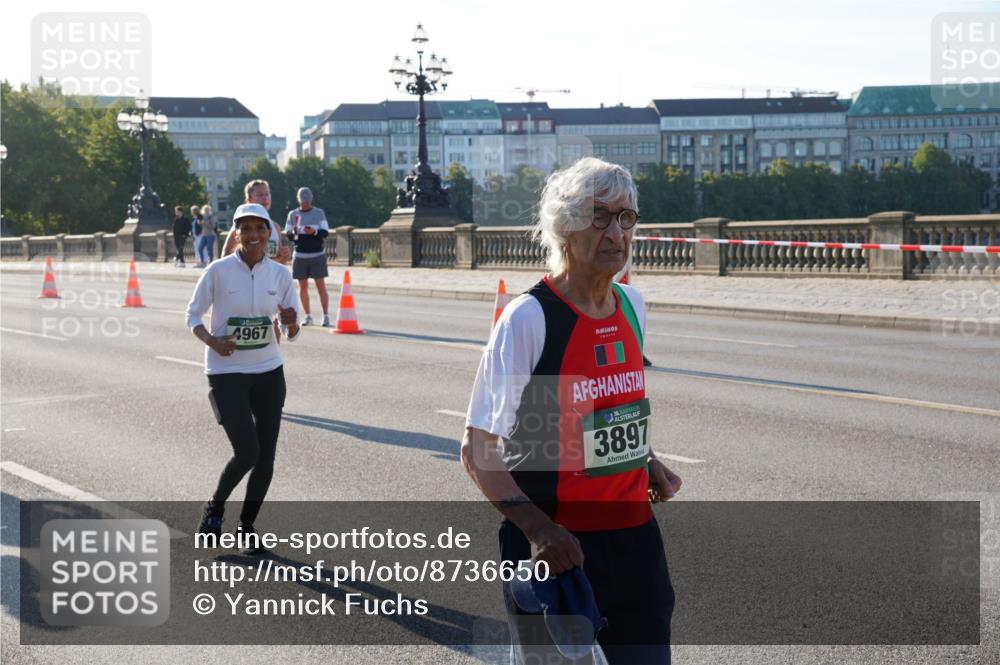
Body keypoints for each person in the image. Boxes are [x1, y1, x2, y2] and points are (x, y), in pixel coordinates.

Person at [461, 157, 681, 664]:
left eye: (626, 217)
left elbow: (604, 409)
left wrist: (644, 459)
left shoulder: (632, 305)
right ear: (564, 226)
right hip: (557, 548)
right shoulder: (530, 317)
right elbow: (478, 450)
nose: (616, 232)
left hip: (635, 540)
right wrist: (540, 531)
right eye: (599, 216)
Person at [185, 202, 300, 552]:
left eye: (259, 229)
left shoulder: (281, 275)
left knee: (267, 457)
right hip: (226, 372)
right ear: (236, 232)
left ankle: (247, 527)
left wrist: (292, 322)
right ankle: (215, 507)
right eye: (245, 229)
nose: (253, 235)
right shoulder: (218, 271)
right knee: (247, 451)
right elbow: (192, 314)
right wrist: (212, 341)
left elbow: (291, 332)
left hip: (269, 371)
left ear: (269, 233)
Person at [285, 187, 331, 327]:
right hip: (300, 255)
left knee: (320, 285)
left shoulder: (318, 213)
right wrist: (294, 233)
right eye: (303, 201)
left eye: (307, 201)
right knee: (302, 286)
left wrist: (314, 232)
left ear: (311, 200)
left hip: (317, 254)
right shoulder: (293, 214)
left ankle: (325, 316)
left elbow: (325, 232)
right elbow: (288, 234)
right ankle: (308, 316)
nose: (305, 204)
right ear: (298, 200)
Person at [222, 179, 291, 265]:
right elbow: (225, 257)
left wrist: (284, 255)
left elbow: (276, 263)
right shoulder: (241, 228)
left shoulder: (275, 227)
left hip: (269, 278)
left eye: (267, 194)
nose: (265, 198)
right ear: (249, 199)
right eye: (260, 195)